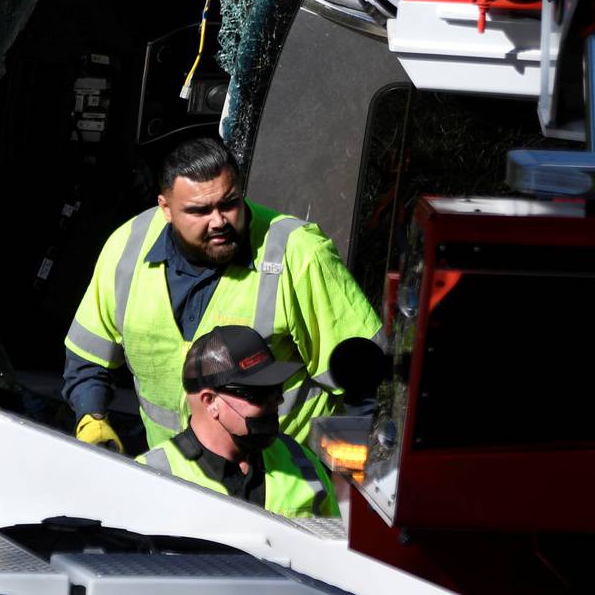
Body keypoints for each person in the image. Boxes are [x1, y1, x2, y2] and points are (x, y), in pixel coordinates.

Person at [63, 135, 380, 453]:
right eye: (199, 211)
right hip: (175, 475)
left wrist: (345, 480)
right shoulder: (127, 247)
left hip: (280, 486)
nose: (219, 221)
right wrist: (92, 419)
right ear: (166, 209)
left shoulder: (298, 253)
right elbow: (87, 359)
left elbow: (367, 385)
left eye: (229, 203)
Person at [137, 324, 339, 518]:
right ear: (211, 402)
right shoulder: (150, 476)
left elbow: (337, 545)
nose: (277, 401)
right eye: (259, 394)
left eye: (277, 389)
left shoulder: (301, 462)